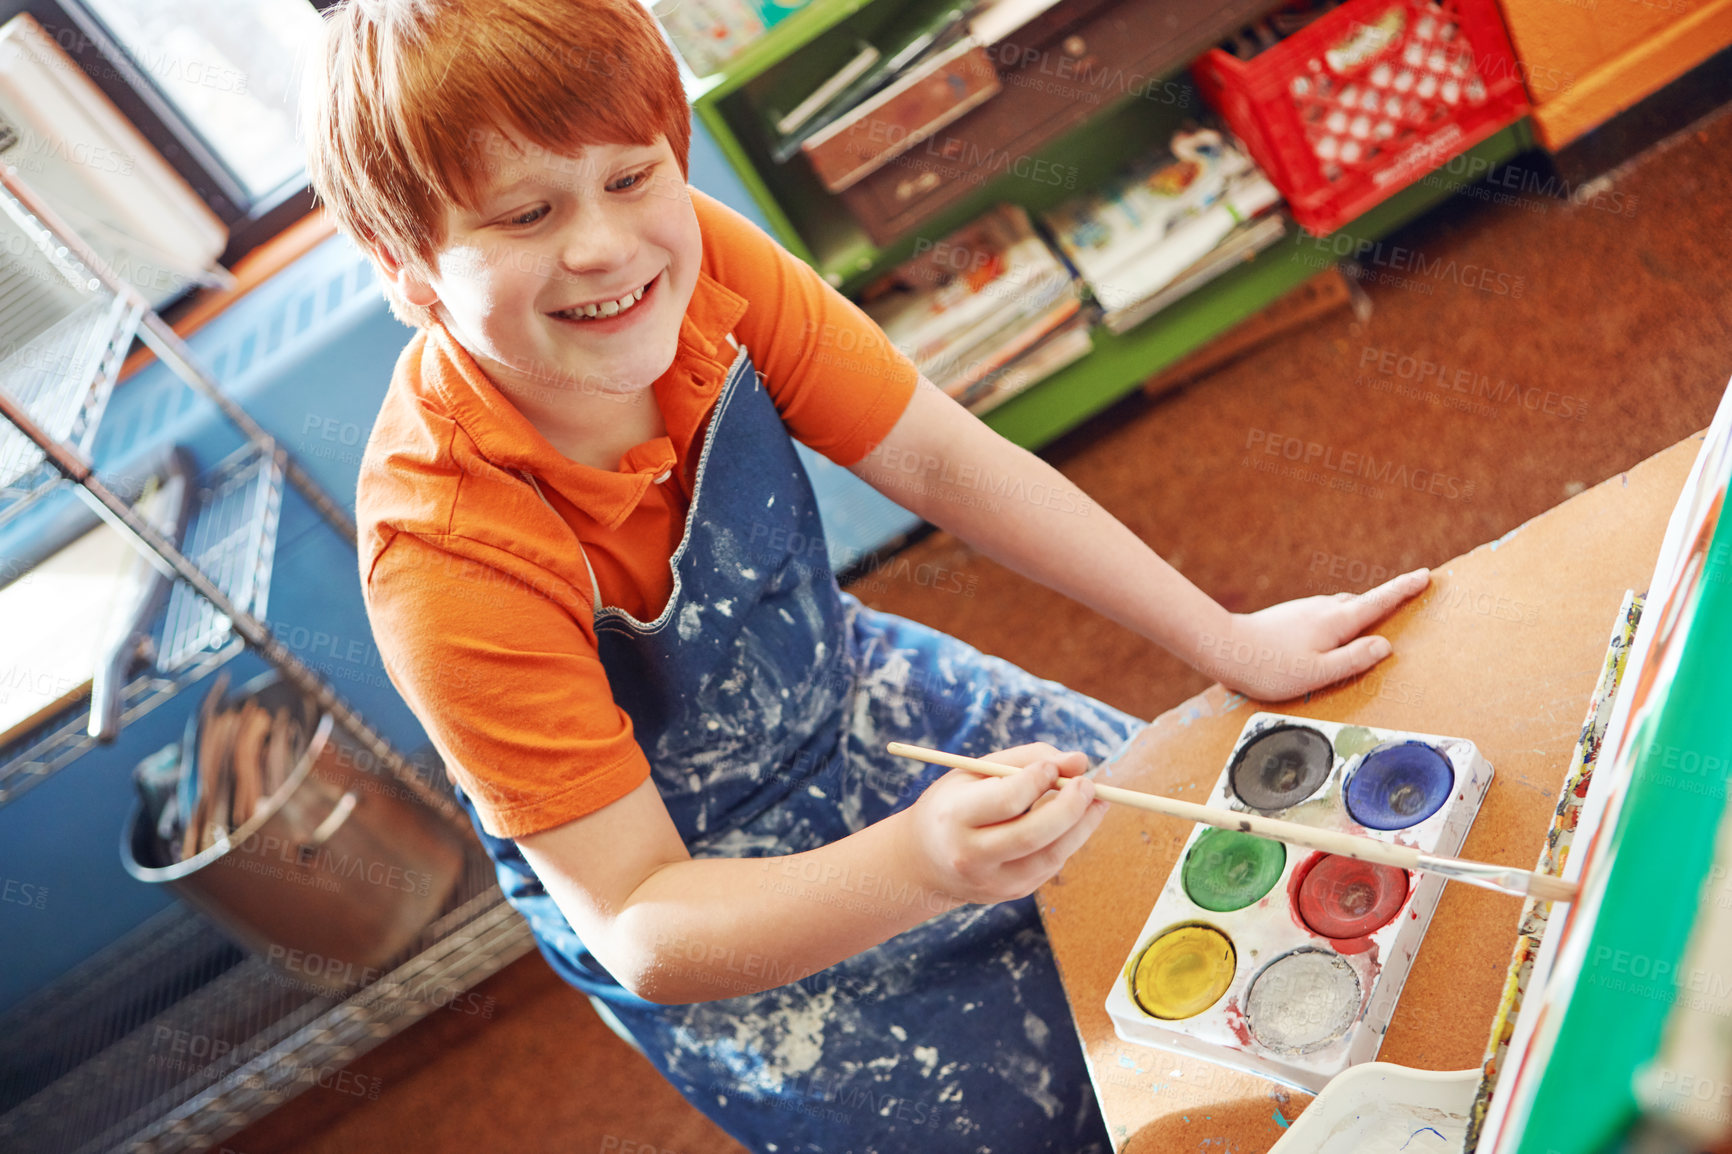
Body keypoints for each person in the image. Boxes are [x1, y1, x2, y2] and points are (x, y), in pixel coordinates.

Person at [301, 1, 1430, 1149]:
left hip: (857, 702)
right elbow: (641, 918)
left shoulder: (692, 259)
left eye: (633, 175)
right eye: (528, 212)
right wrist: (921, 862)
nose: (605, 245)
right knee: (1039, 1121)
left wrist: (1225, 639)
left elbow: (937, 455)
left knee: (1226, 898)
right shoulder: (446, 561)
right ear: (407, 271)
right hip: (701, 889)